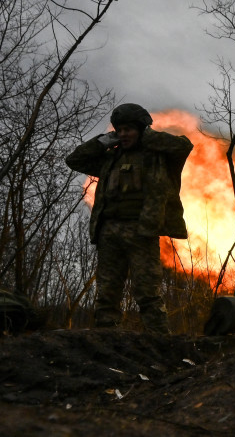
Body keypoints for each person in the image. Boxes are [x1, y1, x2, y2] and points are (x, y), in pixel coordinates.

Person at [66, 103, 193, 334]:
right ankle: (107, 339)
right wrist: (102, 142)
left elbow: (183, 146)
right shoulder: (110, 158)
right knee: (107, 292)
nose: (123, 134)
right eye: (119, 130)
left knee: (147, 292)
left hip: (142, 231)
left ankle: (159, 341)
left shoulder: (157, 157)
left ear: (141, 129)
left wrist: (148, 136)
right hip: (109, 231)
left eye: (128, 129)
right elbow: (74, 160)